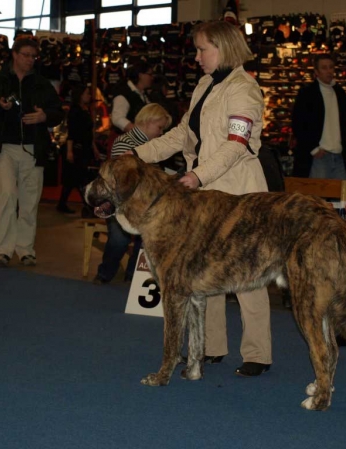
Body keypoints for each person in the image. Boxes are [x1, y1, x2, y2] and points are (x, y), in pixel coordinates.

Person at [132, 21, 272, 377]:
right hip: (206, 194)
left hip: (239, 193)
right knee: (205, 271)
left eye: (202, 49)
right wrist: (136, 155)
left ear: (224, 47)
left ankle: (257, 353)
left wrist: (198, 175)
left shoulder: (245, 89)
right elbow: (182, 133)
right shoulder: (205, 85)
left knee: (247, 273)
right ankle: (210, 347)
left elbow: (236, 144)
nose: (196, 57)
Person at [0, 38, 64, 267]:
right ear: (14, 54)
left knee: (30, 201)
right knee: (5, 197)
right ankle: (3, 250)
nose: (29, 60)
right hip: (4, 149)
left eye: (33, 56)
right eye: (25, 55)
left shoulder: (42, 83)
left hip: (34, 149)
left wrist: (45, 116)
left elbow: (58, 112)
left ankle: (25, 249)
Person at [94, 103, 172, 284]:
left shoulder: (153, 146)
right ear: (148, 121)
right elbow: (126, 181)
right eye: (159, 127)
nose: (161, 133)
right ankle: (105, 273)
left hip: (143, 206)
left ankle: (132, 276)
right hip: (118, 204)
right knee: (119, 240)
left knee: (145, 240)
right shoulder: (124, 143)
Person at [292, 54, 346, 179]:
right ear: (316, 72)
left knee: (342, 196)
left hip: (339, 154)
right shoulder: (307, 93)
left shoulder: (340, 93)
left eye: (331, 67)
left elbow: (345, 123)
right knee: (316, 196)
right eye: (324, 68)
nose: (329, 71)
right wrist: (313, 148)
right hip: (318, 156)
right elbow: (298, 123)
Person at [56, 84, 100, 215]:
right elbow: (72, 133)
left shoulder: (85, 109)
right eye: (87, 93)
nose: (89, 96)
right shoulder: (75, 111)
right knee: (80, 178)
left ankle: (62, 203)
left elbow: (88, 133)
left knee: (73, 179)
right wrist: (70, 151)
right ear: (80, 95)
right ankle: (88, 207)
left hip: (85, 147)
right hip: (76, 148)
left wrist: (94, 148)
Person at [107, 61, 153, 157]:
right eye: (150, 74)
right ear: (140, 75)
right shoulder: (124, 92)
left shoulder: (143, 94)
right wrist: (140, 133)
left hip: (134, 142)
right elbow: (118, 118)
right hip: (123, 143)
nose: (151, 78)